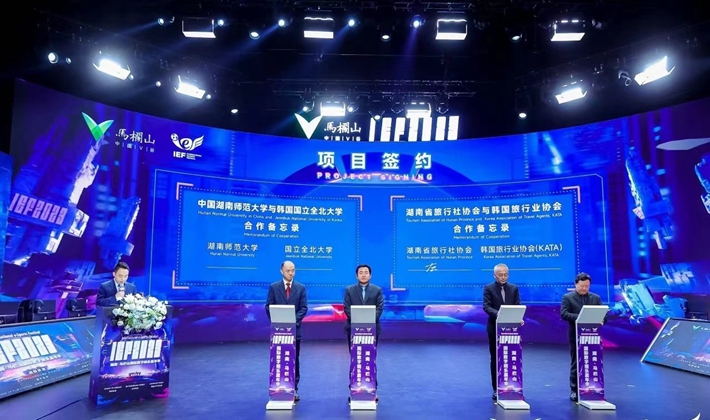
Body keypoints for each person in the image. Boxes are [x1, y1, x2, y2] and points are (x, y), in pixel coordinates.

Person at [560, 272, 607, 402]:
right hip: (576, 335)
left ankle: (594, 389)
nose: (584, 288)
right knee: (577, 362)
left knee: (593, 362)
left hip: (593, 336)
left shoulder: (595, 298)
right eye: (581, 286)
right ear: (576, 284)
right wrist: (582, 317)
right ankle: (574, 390)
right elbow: (564, 314)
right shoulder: (568, 297)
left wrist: (602, 320)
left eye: (587, 286)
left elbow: (604, 314)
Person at [266, 260, 308, 401]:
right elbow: (268, 306)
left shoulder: (300, 288)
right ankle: (277, 388)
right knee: (278, 358)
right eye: (288, 270)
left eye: (293, 270)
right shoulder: (274, 287)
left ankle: (293, 389)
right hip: (278, 332)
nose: (291, 273)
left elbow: (303, 308)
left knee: (294, 359)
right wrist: (278, 321)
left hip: (295, 331)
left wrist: (292, 322)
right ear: (281, 271)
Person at [343, 264, 384, 399]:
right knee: (356, 360)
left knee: (370, 360)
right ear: (356, 275)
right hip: (353, 330)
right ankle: (354, 390)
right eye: (361, 272)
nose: (363, 274)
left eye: (366, 272)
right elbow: (347, 308)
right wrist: (358, 322)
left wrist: (368, 322)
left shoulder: (377, 290)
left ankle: (372, 390)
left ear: (370, 275)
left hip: (372, 330)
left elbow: (379, 308)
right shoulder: (349, 290)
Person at [482, 263, 522, 400]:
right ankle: (496, 389)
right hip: (494, 328)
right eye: (500, 275)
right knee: (496, 358)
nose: (503, 277)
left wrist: (519, 318)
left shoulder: (514, 288)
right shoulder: (488, 288)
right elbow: (486, 307)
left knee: (511, 358)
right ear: (494, 275)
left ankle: (512, 386)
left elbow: (517, 306)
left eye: (505, 274)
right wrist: (500, 314)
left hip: (511, 330)